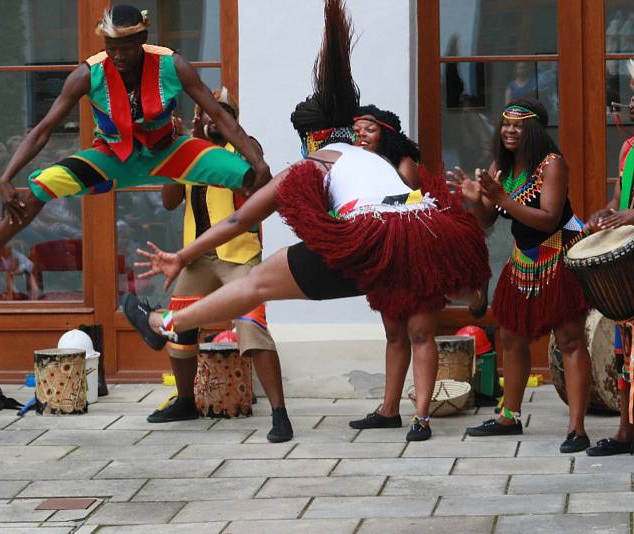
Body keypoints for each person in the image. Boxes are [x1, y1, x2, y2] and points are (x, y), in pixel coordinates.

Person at [124, 0, 490, 442]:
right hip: (420, 232)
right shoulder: (367, 155)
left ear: (309, 138)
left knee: (257, 284)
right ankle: (464, 298)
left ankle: (165, 324)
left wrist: (181, 255)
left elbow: (241, 218)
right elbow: (400, 200)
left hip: (368, 240)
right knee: (414, 320)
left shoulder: (312, 164)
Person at [0, 4, 271, 282]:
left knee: (249, 176)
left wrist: (256, 160)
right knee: (41, 185)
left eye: (126, 47)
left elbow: (220, 115)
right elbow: (43, 129)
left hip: (169, 151)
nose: (118, 55)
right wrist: (7, 176)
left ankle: (250, 255)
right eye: (111, 48)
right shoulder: (87, 73)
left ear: (142, 38)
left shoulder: (172, 64)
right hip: (111, 156)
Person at [448, 97, 592, 453]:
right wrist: (475, 200)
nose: (509, 131)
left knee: (570, 339)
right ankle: (508, 416)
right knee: (510, 336)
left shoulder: (552, 165)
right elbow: (487, 222)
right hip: (523, 258)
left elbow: (547, 217)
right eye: (505, 124)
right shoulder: (504, 166)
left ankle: (577, 428)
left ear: (534, 130)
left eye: (518, 125)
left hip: (560, 253)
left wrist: (502, 199)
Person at [151, 87, 292, 442]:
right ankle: (185, 401)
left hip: (238, 256)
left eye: (223, 114)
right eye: (210, 114)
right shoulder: (190, 154)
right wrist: (175, 151)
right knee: (179, 326)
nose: (216, 120)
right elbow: (169, 201)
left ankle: (280, 413)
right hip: (197, 260)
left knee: (251, 327)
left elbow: (257, 181)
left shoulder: (246, 148)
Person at [347, 105, 486, 440]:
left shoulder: (403, 165)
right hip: (387, 262)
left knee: (421, 334)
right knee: (394, 336)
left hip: (417, 259)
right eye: (358, 130)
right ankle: (388, 410)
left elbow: (396, 207)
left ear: (386, 134)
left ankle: (421, 417)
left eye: (369, 129)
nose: (361, 135)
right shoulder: (357, 166)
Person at [584, 59, 634, 456]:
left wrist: (630, 215)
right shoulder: (628, 149)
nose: (631, 105)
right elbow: (620, 199)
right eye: (632, 98)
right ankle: (624, 431)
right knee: (624, 349)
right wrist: (604, 214)